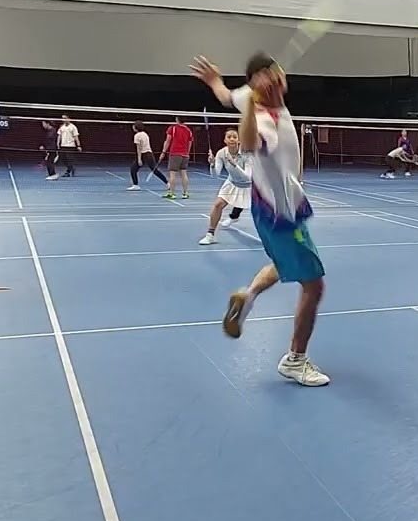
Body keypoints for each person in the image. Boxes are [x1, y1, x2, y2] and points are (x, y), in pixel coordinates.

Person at [190, 52, 329, 386]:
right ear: (262, 86)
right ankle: (295, 359)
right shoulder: (265, 120)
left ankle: (248, 296)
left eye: (278, 71)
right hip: (281, 213)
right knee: (314, 285)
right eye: (272, 75)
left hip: (272, 207)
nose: (280, 78)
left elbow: (226, 95)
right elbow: (250, 142)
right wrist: (253, 106)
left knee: (283, 263)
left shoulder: (250, 97)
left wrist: (214, 82)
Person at [199, 128, 250, 245]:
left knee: (261, 213)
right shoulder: (221, 153)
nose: (232, 139)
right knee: (217, 205)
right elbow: (215, 174)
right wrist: (212, 164)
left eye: (234, 137)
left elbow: (247, 177)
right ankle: (210, 235)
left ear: (239, 140)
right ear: (225, 140)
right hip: (232, 183)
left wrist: (235, 165)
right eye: (229, 137)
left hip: (250, 186)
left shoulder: (247, 153)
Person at [127, 121, 167, 190]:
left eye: (133, 126)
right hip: (149, 153)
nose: (132, 127)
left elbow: (139, 148)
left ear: (136, 127)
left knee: (134, 169)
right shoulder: (145, 134)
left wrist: (139, 159)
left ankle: (136, 185)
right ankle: (167, 183)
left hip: (144, 154)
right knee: (153, 170)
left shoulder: (137, 136)